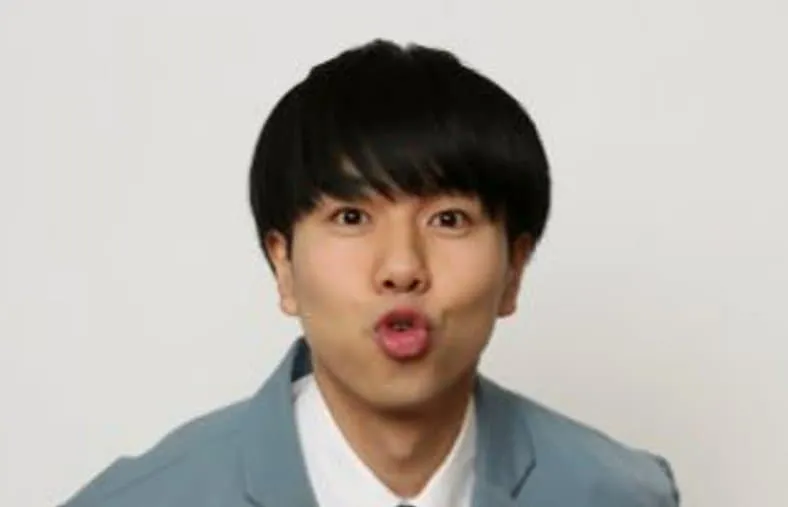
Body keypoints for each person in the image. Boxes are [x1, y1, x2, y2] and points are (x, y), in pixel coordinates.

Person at [62, 39, 680, 507]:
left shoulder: (621, 494)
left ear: (514, 270)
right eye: (352, 217)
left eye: (449, 220)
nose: (402, 267)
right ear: (283, 265)